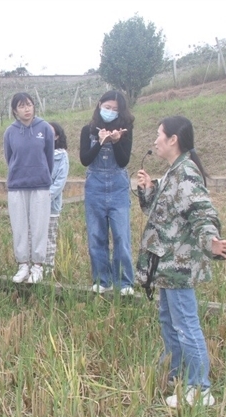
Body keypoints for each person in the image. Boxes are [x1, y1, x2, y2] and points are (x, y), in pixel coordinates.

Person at [136, 116, 226, 408]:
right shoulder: (173, 172)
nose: (155, 140)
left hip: (179, 265)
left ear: (173, 139)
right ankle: (176, 373)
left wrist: (211, 241)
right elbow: (161, 213)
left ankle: (199, 388)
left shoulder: (187, 173)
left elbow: (202, 212)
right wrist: (149, 188)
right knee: (169, 321)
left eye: (159, 134)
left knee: (186, 325)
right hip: (167, 264)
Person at [80, 90, 135, 295]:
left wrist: (117, 141)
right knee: (96, 235)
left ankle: (124, 282)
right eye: (107, 107)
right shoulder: (88, 130)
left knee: (121, 235)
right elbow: (85, 159)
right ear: (100, 105)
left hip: (118, 187)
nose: (110, 111)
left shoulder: (125, 131)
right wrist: (100, 142)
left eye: (115, 109)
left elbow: (123, 161)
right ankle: (102, 280)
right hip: (95, 187)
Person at [3, 92, 54, 284]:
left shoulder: (45, 128)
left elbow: (49, 157)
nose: (27, 109)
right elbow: (9, 157)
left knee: (40, 226)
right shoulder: (10, 132)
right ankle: (23, 264)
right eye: (22, 106)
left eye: (29, 105)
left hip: (40, 185)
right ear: (15, 110)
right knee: (19, 226)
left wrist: (42, 174)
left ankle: (38, 266)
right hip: (17, 185)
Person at [43, 122, 70, 277]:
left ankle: (48, 269)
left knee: (49, 238)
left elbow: (60, 182)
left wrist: (45, 197)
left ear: (57, 136)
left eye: (51, 132)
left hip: (51, 205)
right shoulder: (38, 153)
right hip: (35, 204)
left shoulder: (62, 156)